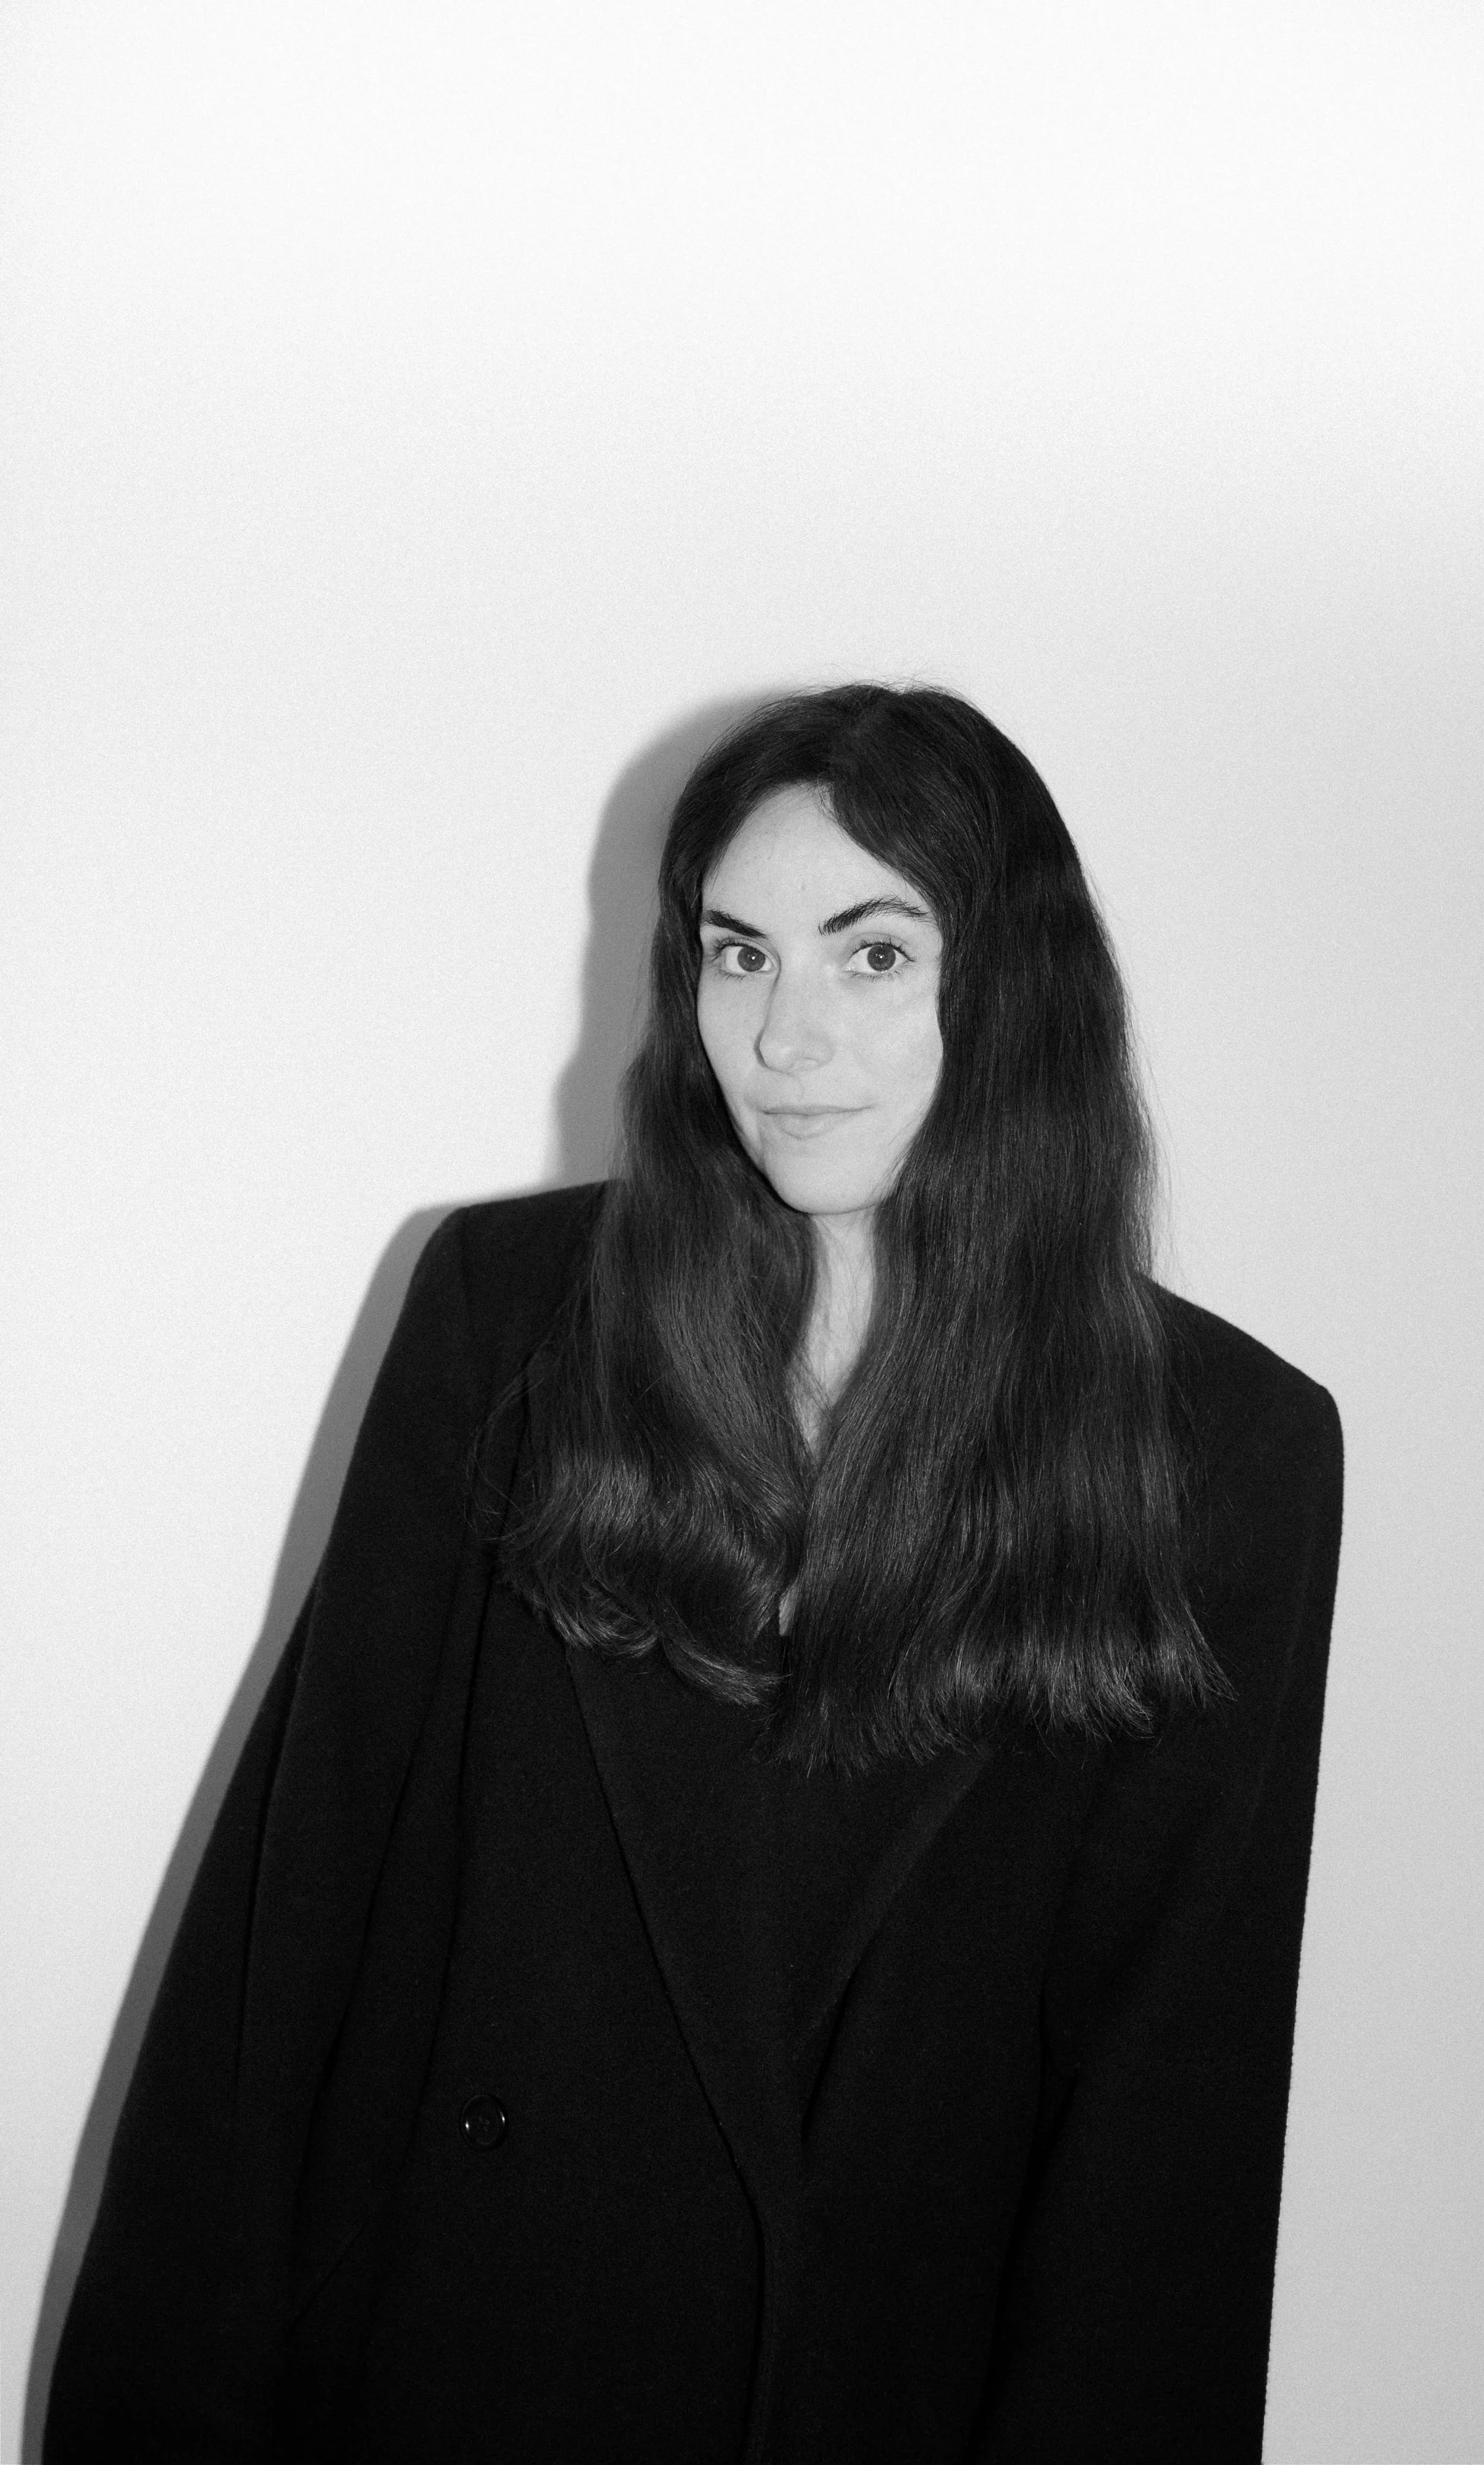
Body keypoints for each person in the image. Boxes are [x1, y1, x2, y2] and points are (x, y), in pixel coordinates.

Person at [45, 684, 1344, 2463]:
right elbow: (300, 1910)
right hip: (439, 2357)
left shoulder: (1223, 1450)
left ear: (1014, 986)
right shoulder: (513, 1316)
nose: (786, 1036)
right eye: (740, 955)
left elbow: (1167, 2128)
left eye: (872, 954)